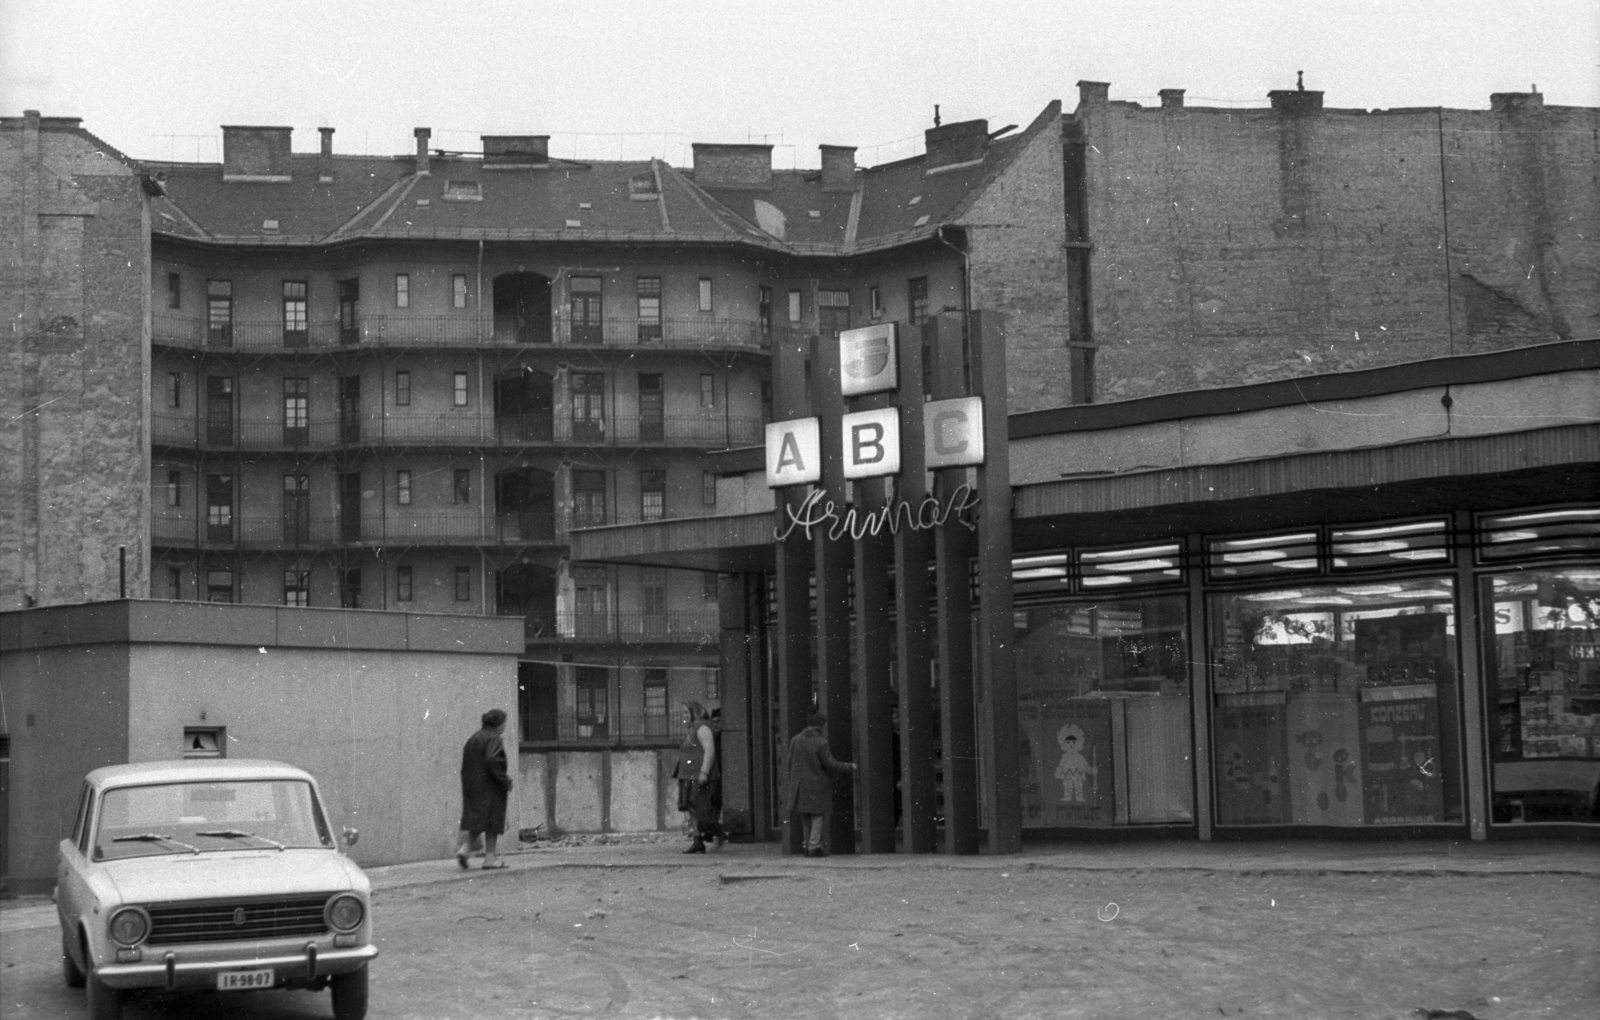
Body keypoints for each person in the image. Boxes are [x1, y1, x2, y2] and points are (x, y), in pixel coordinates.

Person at [782, 711, 857, 857]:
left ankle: (807, 846)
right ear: (821, 725)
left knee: (806, 818)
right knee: (817, 817)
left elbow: (789, 762)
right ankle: (814, 847)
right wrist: (850, 766)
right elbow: (830, 764)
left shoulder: (795, 740)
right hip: (817, 786)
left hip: (799, 786)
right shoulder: (820, 742)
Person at [456, 708, 513, 870]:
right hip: (491, 786)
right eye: (504, 723)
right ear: (498, 724)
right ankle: (490, 858)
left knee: (478, 820)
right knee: (493, 822)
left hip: (473, 786)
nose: (505, 726)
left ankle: (465, 849)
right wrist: (505, 780)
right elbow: (492, 760)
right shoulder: (494, 738)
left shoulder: (474, 738)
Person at [673, 701, 724, 853]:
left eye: (686, 713)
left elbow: (709, 750)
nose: (684, 716)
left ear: (694, 713)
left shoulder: (703, 729)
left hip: (699, 776)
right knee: (691, 809)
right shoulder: (692, 730)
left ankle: (719, 832)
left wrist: (704, 772)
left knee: (701, 810)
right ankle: (698, 841)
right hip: (688, 776)